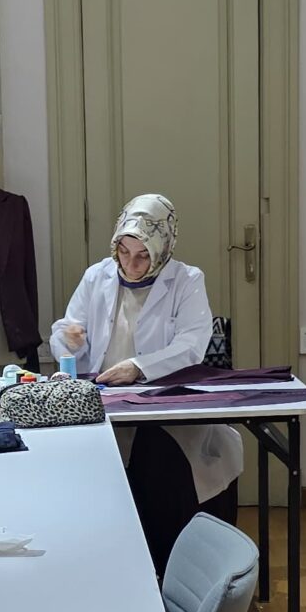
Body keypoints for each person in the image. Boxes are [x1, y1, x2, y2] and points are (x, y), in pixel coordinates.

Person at [51, 193, 242, 571]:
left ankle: (164, 571)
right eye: (124, 252)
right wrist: (69, 338)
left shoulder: (186, 280)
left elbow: (191, 346)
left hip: (165, 407)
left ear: (163, 249)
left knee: (156, 465)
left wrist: (138, 367)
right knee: (85, 473)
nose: (131, 264)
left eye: (142, 255)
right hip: (106, 404)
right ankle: (107, 569)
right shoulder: (97, 276)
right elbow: (66, 332)